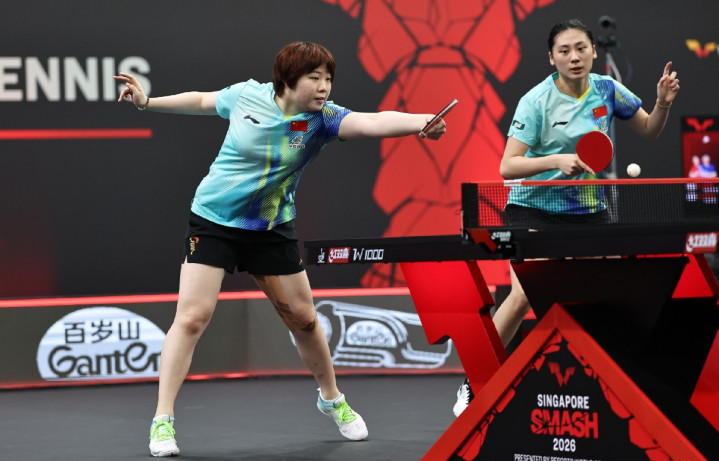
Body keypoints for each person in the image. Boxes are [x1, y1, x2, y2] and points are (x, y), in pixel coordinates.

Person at [114, 41, 447, 457]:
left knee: (304, 320)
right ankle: (162, 420)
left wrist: (421, 122)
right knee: (193, 316)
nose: (324, 87)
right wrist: (148, 102)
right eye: (315, 78)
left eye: (328, 79)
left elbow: (371, 121)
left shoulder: (323, 120)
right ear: (288, 79)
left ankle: (332, 400)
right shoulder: (246, 96)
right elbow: (201, 101)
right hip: (213, 220)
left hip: (270, 227)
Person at [452, 18, 679, 417]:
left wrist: (662, 103)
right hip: (533, 207)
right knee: (524, 294)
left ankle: (616, 382)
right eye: (564, 51)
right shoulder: (536, 101)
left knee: (614, 291)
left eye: (581, 48)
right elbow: (508, 166)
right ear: (551, 58)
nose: (574, 57)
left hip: (588, 210)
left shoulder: (607, 89)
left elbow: (649, 130)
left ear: (592, 51)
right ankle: (474, 381)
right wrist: (556, 160)